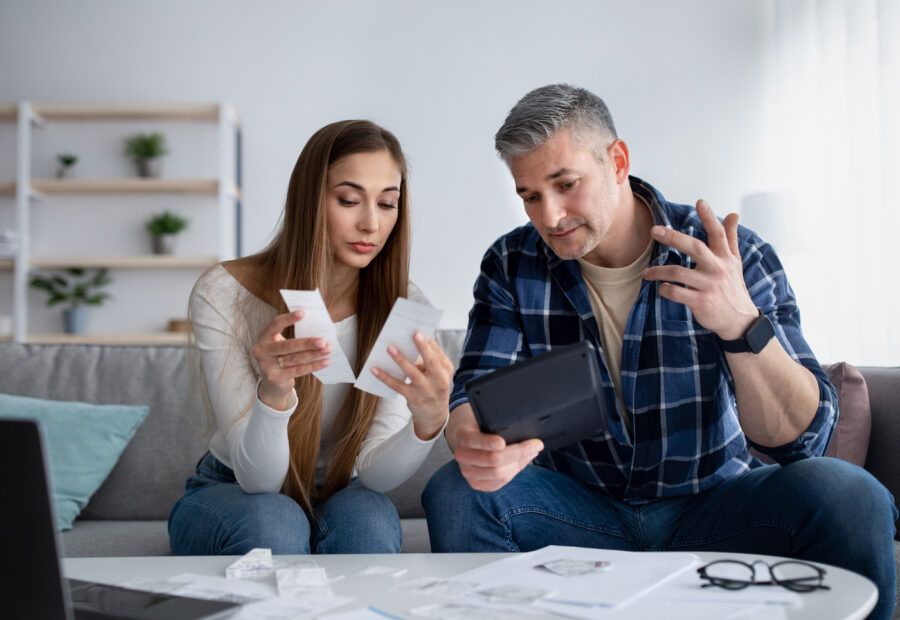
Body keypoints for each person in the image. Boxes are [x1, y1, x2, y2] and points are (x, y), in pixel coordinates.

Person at [423, 84, 898, 619]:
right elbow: (475, 386)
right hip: (581, 512)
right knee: (457, 490)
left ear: (618, 161)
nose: (550, 215)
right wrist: (471, 442)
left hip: (714, 508)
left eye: (566, 184)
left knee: (849, 494)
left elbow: (801, 441)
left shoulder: (730, 256)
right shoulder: (512, 263)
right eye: (530, 195)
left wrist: (741, 326)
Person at [169, 120, 454, 556]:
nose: (370, 224)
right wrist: (274, 392)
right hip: (233, 488)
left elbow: (375, 476)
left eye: (387, 204)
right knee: (275, 521)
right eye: (349, 200)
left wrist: (428, 422)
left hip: (343, 487)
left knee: (369, 523)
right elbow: (260, 480)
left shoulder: (405, 306)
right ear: (309, 199)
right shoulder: (224, 292)